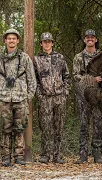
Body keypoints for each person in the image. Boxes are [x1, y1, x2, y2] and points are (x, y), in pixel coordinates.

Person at [0, 29, 36, 166]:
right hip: (4, 99)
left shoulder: (24, 58)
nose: (11, 40)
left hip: (20, 99)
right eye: (9, 38)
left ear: (17, 41)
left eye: (14, 38)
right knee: (5, 129)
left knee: (19, 128)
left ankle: (19, 156)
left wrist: (28, 96)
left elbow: (31, 79)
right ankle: (5, 157)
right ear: (5, 41)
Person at [33, 32, 70, 164]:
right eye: (45, 41)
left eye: (49, 41)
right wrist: (40, 95)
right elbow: (34, 79)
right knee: (45, 127)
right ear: (41, 43)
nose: (47, 43)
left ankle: (57, 155)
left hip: (59, 97)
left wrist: (65, 92)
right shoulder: (36, 59)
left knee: (58, 127)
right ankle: (45, 155)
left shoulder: (60, 58)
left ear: (52, 43)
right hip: (45, 98)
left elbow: (66, 76)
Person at [72, 29, 102, 164]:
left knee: (98, 125)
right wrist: (91, 79)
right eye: (87, 37)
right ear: (84, 40)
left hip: (99, 96)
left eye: (92, 37)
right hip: (84, 96)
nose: (90, 39)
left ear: (96, 40)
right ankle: (83, 154)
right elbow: (75, 76)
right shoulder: (79, 57)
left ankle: (97, 153)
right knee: (83, 125)